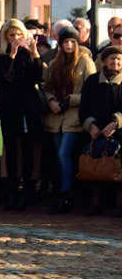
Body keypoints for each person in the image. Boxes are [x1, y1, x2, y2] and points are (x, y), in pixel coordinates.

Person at [44, 26, 96, 213]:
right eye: (65, 41)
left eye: (72, 41)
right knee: (59, 156)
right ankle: (63, 192)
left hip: (74, 116)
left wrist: (70, 101)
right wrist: (51, 101)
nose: (69, 45)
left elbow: (91, 92)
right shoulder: (54, 63)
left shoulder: (85, 62)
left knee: (64, 154)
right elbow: (46, 86)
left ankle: (67, 194)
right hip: (55, 116)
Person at [0, 18, 44, 211]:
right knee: (12, 150)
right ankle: (12, 190)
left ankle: (28, 190)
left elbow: (39, 77)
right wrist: (11, 55)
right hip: (9, 107)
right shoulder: (1, 56)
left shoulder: (28, 55)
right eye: (11, 35)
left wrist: (35, 54)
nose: (15, 38)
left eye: (18, 35)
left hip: (28, 107)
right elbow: (3, 77)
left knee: (29, 149)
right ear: (6, 36)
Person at [78, 45, 122, 215]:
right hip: (95, 132)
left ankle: (119, 204)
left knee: (118, 166)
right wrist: (91, 126)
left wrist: (116, 123)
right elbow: (84, 108)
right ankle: (96, 202)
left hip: (118, 131)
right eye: (112, 58)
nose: (116, 62)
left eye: (119, 59)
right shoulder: (92, 81)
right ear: (104, 61)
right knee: (94, 166)